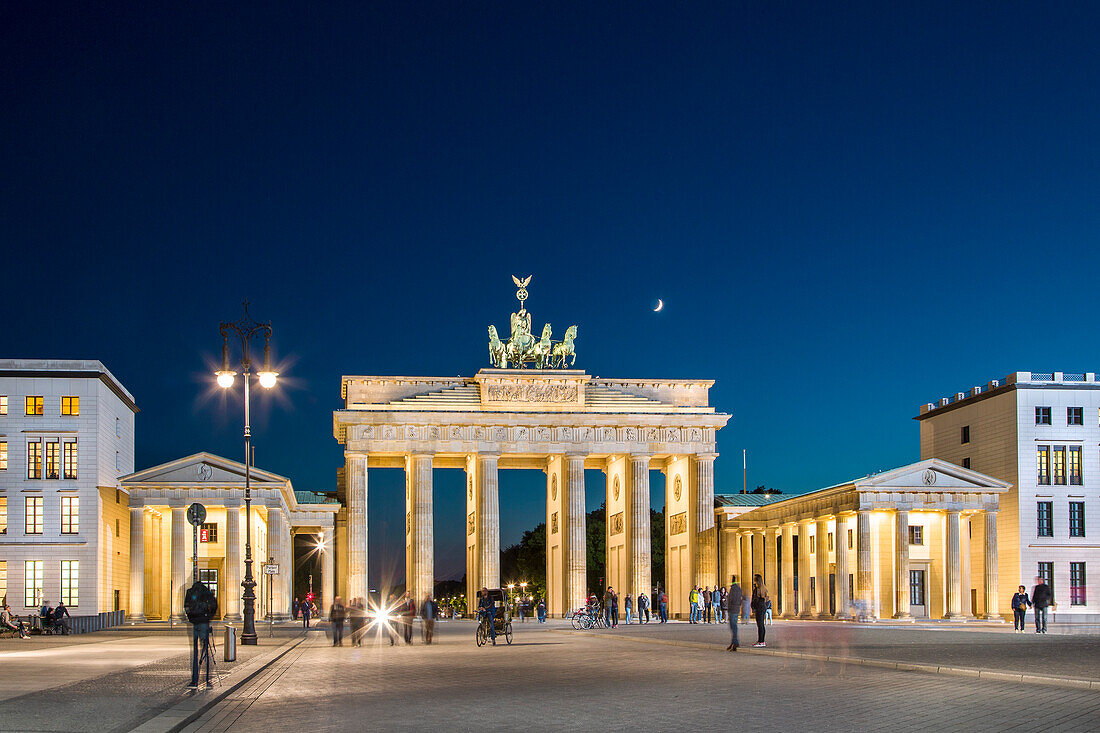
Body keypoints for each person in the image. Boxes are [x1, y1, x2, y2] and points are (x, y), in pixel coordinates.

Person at [183, 580, 218, 689]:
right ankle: (207, 680)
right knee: (206, 652)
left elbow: (186, 606)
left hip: (195, 624)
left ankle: (194, 681)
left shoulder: (190, 592)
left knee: (195, 653)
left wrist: (191, 618)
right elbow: (214, 605)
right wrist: (208, 617)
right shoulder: (206, 592)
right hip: (204, 623)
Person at [751, 574, 769, 647]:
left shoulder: (759, 589)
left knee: (760, 625)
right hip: (761, 607)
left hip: (760, 608)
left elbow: (760, 598)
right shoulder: (762, 588)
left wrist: (754, 605)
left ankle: (761, 641)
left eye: (755, 579)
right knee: (760, 625)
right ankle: (760, 640)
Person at [726, 575, 743, 651]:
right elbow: (741, 599)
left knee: (733, 627)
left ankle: (735, 642)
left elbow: (730, 600)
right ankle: (733, 642)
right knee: (734, 626)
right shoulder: (739, 589)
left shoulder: (732, 589)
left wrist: (728, 609)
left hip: (732, 609)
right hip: (737, 609)